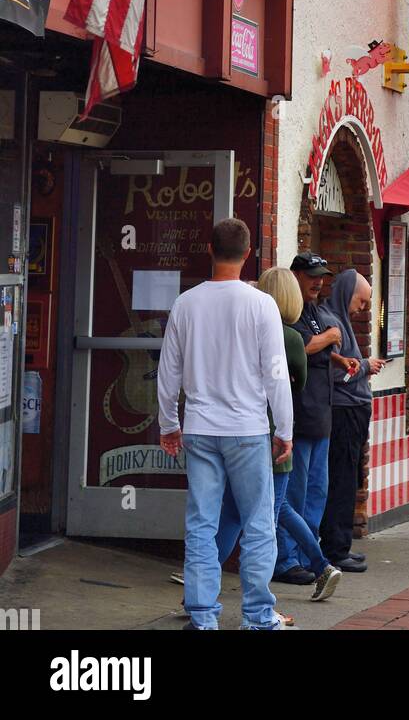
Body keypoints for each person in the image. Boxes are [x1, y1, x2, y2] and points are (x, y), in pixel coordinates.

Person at [157, 218, 293, 631]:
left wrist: (168, 423)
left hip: (199, 427)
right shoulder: (261, 305)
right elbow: (275, 372)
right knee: (257, 522)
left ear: (210, 251)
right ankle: (256, 615)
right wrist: (284, 428)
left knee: (201, 522)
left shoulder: (186, 303)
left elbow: (169, 372)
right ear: (248, 254)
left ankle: (202, 616)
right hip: (248, 429)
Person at [215, 265, 341, 603]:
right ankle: (321, 565)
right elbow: (296, 383)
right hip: (278, 434)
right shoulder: (292, 339)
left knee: (240, 512)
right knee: (274, 510)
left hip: (240, 432)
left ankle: (213, 581)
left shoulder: (244, 331)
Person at [274, 253, 359, 585]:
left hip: (321, 418)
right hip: (298, 420)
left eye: (322, 276)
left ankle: (308, 557)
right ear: (295, 275)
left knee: (315, 495)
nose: (318, 281)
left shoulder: (313, 311)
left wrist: (336, 358)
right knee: (292, 497)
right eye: (312, 275)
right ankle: (286, 560)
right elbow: (298, 346)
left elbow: (316, 348)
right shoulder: (287, 314)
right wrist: (329, 338)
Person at [319, 269, 386, 572]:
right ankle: (335, 549)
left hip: (351, 413)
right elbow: (337, 373)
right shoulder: (332, 324)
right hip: (344, 414)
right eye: (361, 301)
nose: (362, 308)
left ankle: (340, 544)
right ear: (347, 294)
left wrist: (362, 368)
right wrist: (364, 368)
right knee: (342, 482)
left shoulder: (339, 322)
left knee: (347, 481)